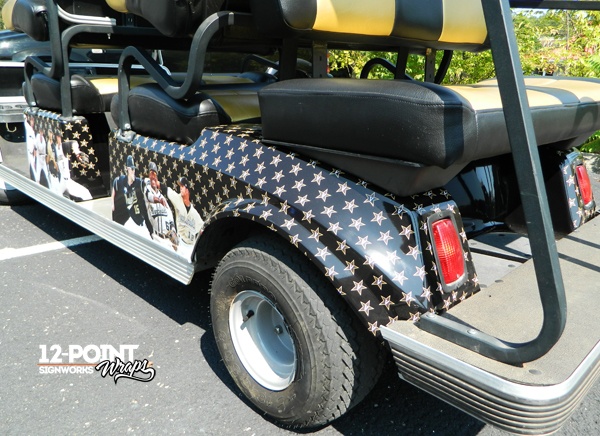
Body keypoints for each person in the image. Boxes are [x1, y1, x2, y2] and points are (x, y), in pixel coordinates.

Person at [111, 155, 152, 236]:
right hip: (124, 215)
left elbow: (145, 183)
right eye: (131, 169)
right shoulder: (120, 181)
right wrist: (112, 204)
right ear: (127, 169)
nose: (133, 171)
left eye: (134, 169)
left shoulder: (138, 182)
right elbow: (114, 192)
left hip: (136, 216)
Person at [143, 162, 178, 251]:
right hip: (156, 237)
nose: (153, 177)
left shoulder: (163, 198)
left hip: (166, 240)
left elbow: (170, 217)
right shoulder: (147, 190)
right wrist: (158, 200)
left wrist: (173, 231)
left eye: (154, 174)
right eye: (151, 174)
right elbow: (150, 197)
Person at [167, 177, 203, 258]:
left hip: (190, 247)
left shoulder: (194, 214)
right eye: (180, 186)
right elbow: (166, 189)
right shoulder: (177, 199)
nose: (180, 188)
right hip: (180, 242)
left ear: (187, 190)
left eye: (182, 186)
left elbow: (203, 229)